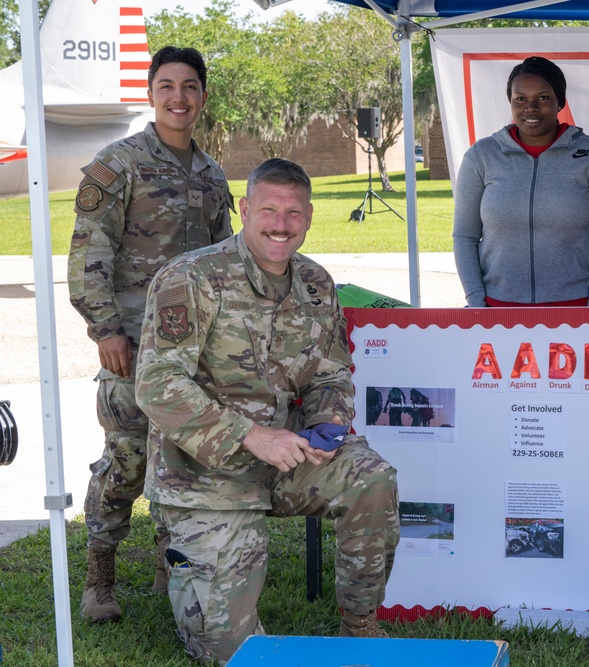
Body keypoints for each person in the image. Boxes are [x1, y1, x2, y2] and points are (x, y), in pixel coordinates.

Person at [135, 159, 400, 664]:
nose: (282, 224)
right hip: (205, 478)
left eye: (294, 212)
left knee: (371, 477)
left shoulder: (316, 284)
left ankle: (360, 625)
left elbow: (330, 371)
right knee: (233, 652)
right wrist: (253, 436)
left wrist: (328, 421)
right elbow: (157, 384)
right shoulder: (191, 278)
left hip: (289, 459)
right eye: (270, 210)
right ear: (244, 209)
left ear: (309, 216)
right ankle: (179, 548)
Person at [67, 46, 233, 623]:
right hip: (132, 348)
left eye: (190, 87)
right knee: (127, 460)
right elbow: (91, 252)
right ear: (151, 93)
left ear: (203, 97)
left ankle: (173, 566)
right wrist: (105, 329)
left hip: (194, 354)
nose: (179, 98)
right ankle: (100, 576)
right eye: (167, 86)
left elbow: (224, 263)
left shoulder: (212, 176)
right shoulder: (120, 163)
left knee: (185, 461)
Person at [453, 56, 589, 307]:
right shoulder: (482, 156)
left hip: (573, 309)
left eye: (543, 98)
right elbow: (464, 236)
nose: (530, 108)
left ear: (560, 102)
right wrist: (477, 302)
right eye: (520, 99)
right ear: (510, 102)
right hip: (496, 308)